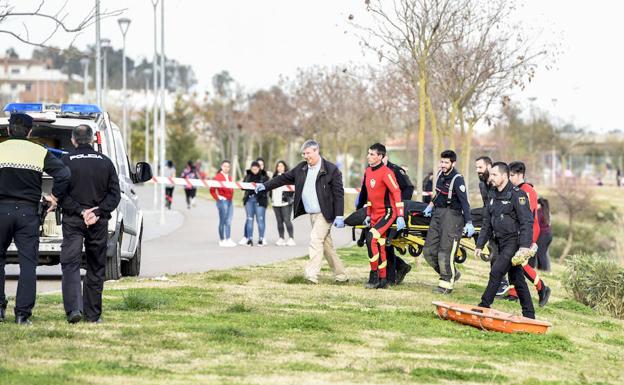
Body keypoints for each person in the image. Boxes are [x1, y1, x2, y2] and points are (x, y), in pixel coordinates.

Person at [0, 113, 70, 325]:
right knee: (28, 264)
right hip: (28, 213)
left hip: (1, 211)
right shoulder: (39, 152)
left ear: (9, 130)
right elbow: (64, 174)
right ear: (30, 132)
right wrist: (54, 198)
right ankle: (22, 314)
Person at [256, 140, 348, 284]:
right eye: (303, 153)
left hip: (325, 214)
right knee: (326, 246)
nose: (305, 156)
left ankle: (311, 276)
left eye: (308, 153)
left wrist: (339, 215)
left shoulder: (331, 170)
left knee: (315, 239)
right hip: (312, 214)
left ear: (316, 151)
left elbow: (339, 194)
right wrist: (265, 186)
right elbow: (283, 179)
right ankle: (341, 276)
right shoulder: (301, 168)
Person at [59, 124, 121, 324]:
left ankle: (73, 311)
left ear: (73, 140)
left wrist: (80, 211)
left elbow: (61, 194)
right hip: (98, 221)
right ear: (93, 140)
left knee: (71, 264)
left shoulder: (66, 160)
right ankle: (93, 315)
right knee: (95, 266)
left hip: (73, 220)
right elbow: (114, 194)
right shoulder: (106, 162)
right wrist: (98, 211)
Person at [475, 162, 536, 319]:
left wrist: (524, 247)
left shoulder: (518, 195)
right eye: (491, 174)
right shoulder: (492, 194)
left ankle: (483, 306)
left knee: (496, 271)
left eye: (495, 175)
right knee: (517, 279)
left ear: (504, 176)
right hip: (500, 242)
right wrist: (480, 244)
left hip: (514, 242)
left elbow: (527, 222)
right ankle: (529, 314)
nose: (491, 178)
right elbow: (487, 222)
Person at [356, 152, 414, 284]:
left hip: (389, 212)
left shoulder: (391, 171)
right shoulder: (369, 171)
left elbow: (401, 190)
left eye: (372, 154)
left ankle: (376, 276)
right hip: (375, 213)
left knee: (374, 239)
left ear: (382, 156)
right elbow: (368, 194)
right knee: (381, 245)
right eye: (368, 153)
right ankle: (384, 278)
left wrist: (400, 212)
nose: (368, 156)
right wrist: (365, 211)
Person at [423, 150, 474, 294]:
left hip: (452, 217)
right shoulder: (439, 175)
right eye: (442, 162)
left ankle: (446, 285)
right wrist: (430, 205)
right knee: (428, 251)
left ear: (453, 163)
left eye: (446, 162)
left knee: (445, 251)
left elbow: (465, 202)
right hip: (438, 214)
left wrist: (469, 221)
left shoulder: (458, 179)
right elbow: (437, 194)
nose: (443, 165)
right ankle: (452, 274)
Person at [508, 161, 551, 306]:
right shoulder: (515, 189)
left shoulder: (527, 190)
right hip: (519, 229)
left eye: (512, 175)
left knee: (521, 261)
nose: (509, 178)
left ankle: (542, 287)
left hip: (529, 229)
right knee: (513, 260)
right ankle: (513, 293)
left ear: (520, 175)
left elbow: (528, 216)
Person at [475, 155, 509, 298]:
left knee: (499, 254)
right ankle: (500, 284)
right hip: (489, 218)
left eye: (480, 167)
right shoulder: (482, 184)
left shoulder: (498, 184)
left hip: (502, 222)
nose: (477, 171)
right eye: (476, 168)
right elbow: (486, 206)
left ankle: (504, 284)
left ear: (489, 167)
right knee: (493, 250)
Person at [243, 161, 269, 246]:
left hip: (260, 201)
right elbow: (242, 187)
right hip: (249, 200)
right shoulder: (247, 176)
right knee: (249, 219)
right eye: (252, 168)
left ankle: (261, 239)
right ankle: (249, 239)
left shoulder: (264, 177)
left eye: (256, 168)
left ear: (259, 168)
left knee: (260, 220)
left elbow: (267, 187)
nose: (254, 170)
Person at [210, 160, 236, 247]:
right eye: (225, 166)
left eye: (228, 166)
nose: (226, 168)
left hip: (230, 201)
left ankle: (228, 239)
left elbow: (231, 188)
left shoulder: (230, 177)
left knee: (228, 221)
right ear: (221, 166)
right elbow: (212, 190)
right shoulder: (217, 177)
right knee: (222, 221)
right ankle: (222, 240)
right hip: (222, 201)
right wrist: (218, 198)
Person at [271, 160, 295, 246]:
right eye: (278, 166)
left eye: (281, 166)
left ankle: (291, 238)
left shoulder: (289, 177)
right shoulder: (274, 177)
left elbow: (293, 188)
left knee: (287, 220)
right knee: (279, 221)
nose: (280, 167)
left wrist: (289, 198)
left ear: (285, 167)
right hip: (275, 202)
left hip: (285, 202)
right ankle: (281, 238)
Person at [532, 197, 552, 272]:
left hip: (543, 235)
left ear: (539, 204)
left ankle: (545, 270)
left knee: (541, 253)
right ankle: (542, 269)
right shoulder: (546, 211)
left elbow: (536, 224)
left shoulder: (539, 212)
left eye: (536, 204)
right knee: (542, 252)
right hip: (548, 235)